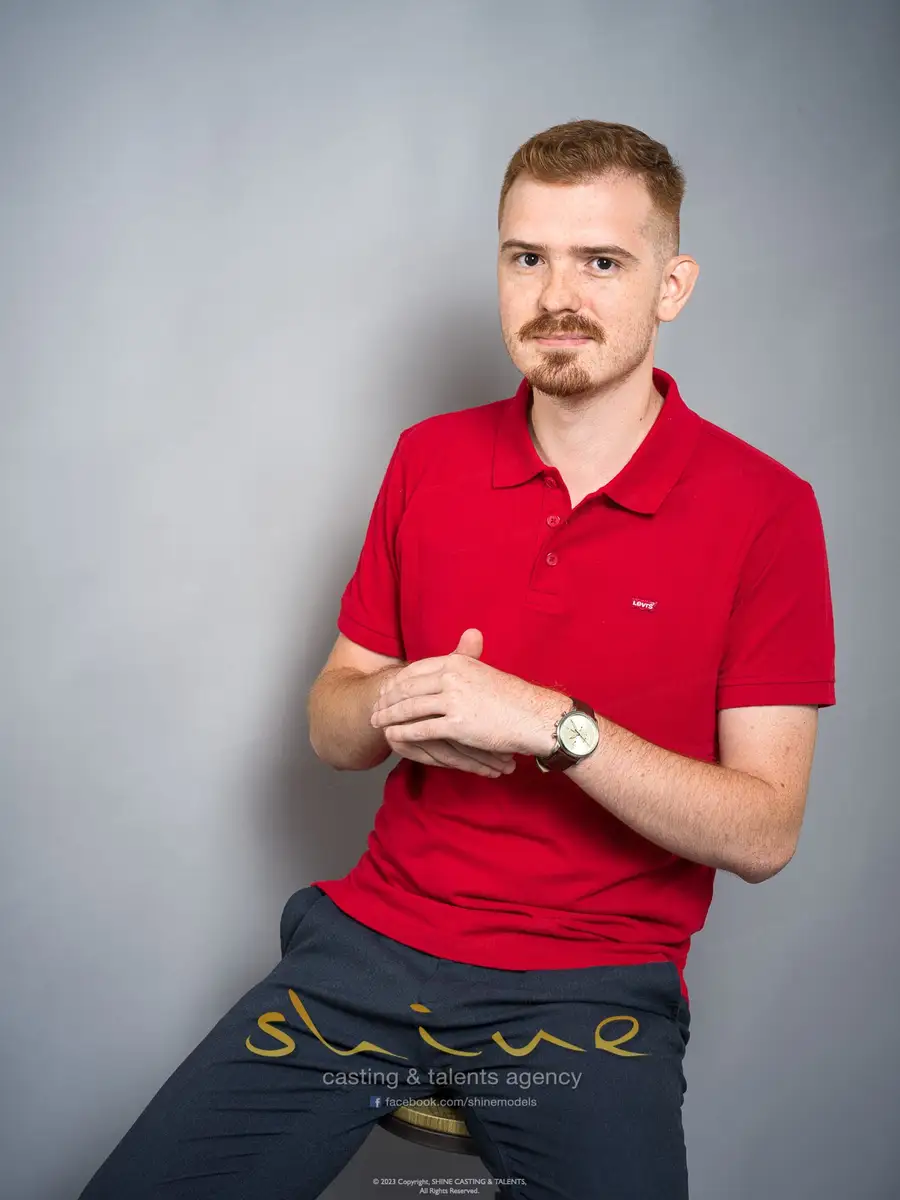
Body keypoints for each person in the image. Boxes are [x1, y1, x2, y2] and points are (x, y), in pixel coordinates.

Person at [78, 119, 836, 1200]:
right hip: (371, 953)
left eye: (601, 261)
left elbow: (764, 832)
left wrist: (549, 723)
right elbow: (332, 729)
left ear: (672, 286)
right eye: (527, 257)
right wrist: (402, 697)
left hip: (589, 988)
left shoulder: (766, 508)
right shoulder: (428, 459)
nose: (556, 295)